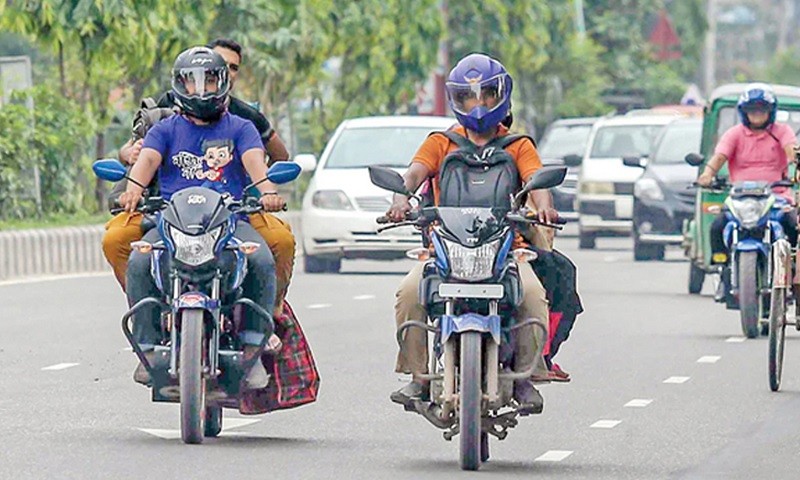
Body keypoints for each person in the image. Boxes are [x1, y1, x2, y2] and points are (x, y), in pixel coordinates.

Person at [385, 53, 557, 414]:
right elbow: (412, 176)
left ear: (502, 96)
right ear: (455, 100)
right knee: (408, 294)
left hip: (506, 251)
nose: (478, 105)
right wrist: (401, 199)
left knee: (532, 296)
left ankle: (524, 377)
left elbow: (537, 182)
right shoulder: (440, 143)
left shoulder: (518, 146)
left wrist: (543, 205)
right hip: (446, 250)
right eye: (467, 97)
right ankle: (418, 377)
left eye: (487, 95)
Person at [121, 46, 283, 389]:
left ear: (223, 82)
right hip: (171, 223)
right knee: (138, 261)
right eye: (192, 83)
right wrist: (133, 189)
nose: (201, 90)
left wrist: (267, 192)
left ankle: (254, 345)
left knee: (263, 260)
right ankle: (147, 348)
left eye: (209, 81)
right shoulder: (164, 129)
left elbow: (256, 164)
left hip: (229, 222)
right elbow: (146, 162)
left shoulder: (241, 128)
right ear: (179, 85)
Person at [697, 83, 798, 299]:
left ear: (771, 112)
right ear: (744, 112)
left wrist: (796, 169)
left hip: (777, 195)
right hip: (740, 197)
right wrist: (707, 175)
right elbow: (719, 157)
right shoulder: (734, 134)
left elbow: (791, 152)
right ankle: (724, 274)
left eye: (762, 109)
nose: (757, 114)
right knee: (717, 226)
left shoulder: (782, 132)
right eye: (752, 110)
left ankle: (793, 274)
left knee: (792, 223)